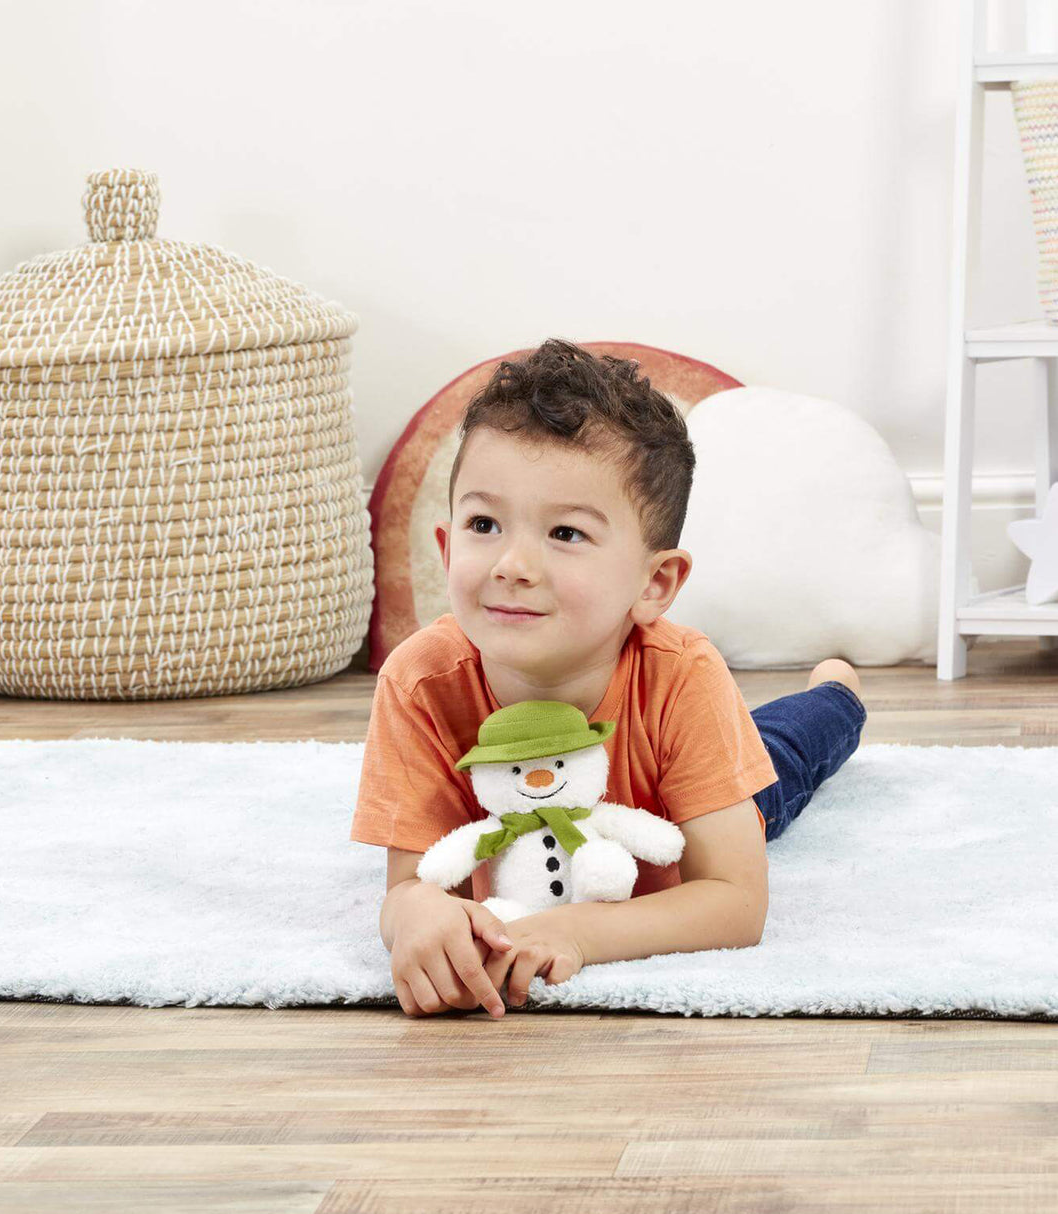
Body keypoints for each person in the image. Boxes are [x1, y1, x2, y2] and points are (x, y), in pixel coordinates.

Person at [350, 339, 867, 1019]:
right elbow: (412, 886)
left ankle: (839, 690)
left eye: (565, 533)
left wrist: (578, 931)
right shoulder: (419, 682)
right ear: (447, 549)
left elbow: (737, 902)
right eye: (484, 523)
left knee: (785, 755)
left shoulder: (684, 677)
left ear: (654, 584)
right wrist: (417, 917)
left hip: (679, 810)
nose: (512, 563)